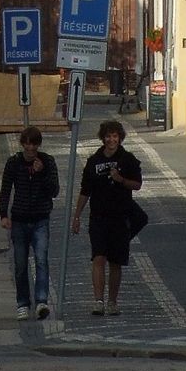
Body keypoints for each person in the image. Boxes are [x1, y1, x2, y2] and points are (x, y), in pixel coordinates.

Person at [71, 118, 143, 315]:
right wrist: (77, 216)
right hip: (98, 217)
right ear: (103, 138)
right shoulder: (94, 161)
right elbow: (85, 190)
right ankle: (98, 301)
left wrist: (121, 180)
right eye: (108, 136)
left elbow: (137, 185)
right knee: (98, 258)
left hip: (120, 217)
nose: (112, 140)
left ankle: (112, 301)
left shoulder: (127, 159)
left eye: (115, 136)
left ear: (120, 138)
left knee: (116, 262)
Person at [0, 124, 60, 319]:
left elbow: (54, 191)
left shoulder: (48, 162)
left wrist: (41, 173)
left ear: (38, 145)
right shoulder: (13, 163)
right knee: (20, 263)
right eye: (27, 145)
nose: (31, 149)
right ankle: (23, 303)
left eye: (34, 145)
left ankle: (41, 301)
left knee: (41, 260)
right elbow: (6, 189)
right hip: (19, 219)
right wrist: (3, 215)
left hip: (41, 218)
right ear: (23, 144)